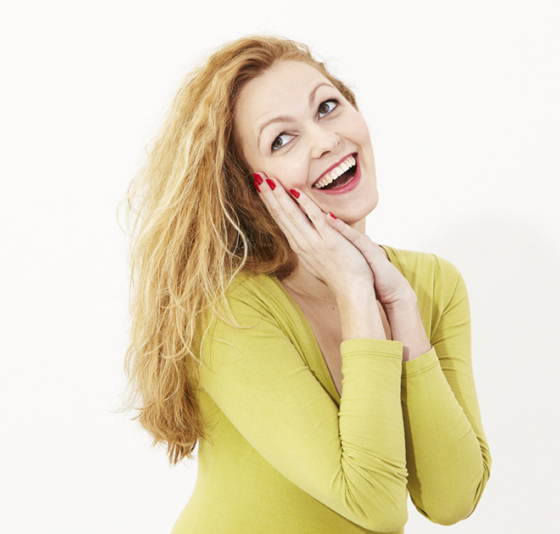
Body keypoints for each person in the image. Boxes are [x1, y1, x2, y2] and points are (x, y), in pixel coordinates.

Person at [123, 35, 491, 533]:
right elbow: (374, 505)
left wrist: (399, 306)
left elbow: (453, 498)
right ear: (250, 190)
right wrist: (355, 292)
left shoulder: (431, 284)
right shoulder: (230, 311)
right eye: (281, 139)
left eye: (327, 107)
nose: (325, 141)